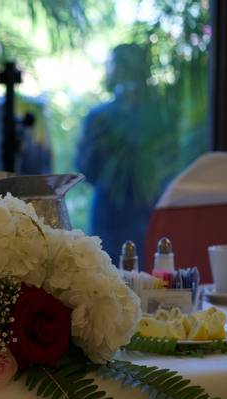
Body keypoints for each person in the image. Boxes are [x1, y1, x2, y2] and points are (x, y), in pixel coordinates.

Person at [77, 44, 164, 259]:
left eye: (117, 65)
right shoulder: (101, 117)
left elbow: (85, 169)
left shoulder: (157, 115)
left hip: (142, 211)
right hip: (114, 214)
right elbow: (86, 169)